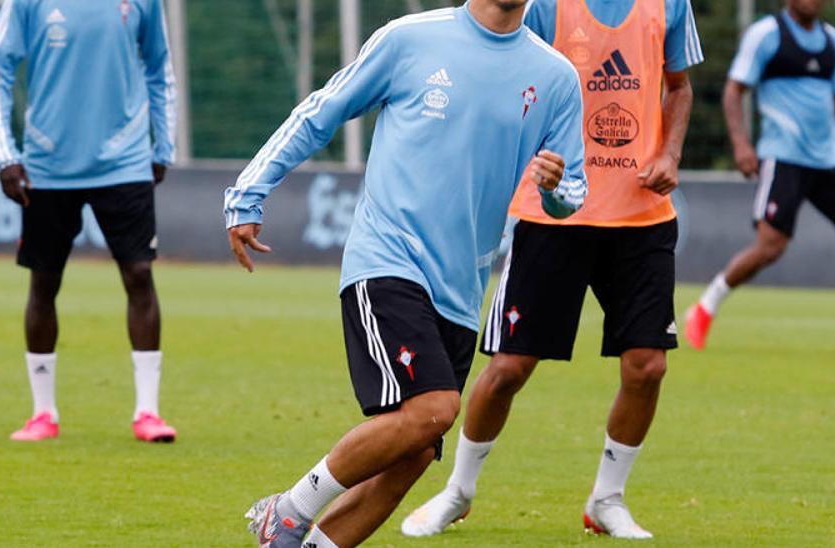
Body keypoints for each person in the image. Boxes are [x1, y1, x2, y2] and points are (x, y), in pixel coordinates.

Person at [228, 2, 588, 545]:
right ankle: (290, 508)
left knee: (416, 451)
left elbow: (572, 192)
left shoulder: (556, 77)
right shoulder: (409, 39)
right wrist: (249, 192)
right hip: (387, 261)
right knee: (437, 407)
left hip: (462, 291)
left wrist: (554, 186)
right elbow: (321, 112)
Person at [403, 0, 704, 539]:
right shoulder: (543, 5)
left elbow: (678, 87)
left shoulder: (670, 4)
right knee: (509, 369)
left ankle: (607, 499)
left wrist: (671, 153)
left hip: (641, 216)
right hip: (552, 213)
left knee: (648, 366)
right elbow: (506, 72)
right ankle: (459, 489)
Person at [0, 0, 179, 442]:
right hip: (48, 163)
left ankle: (148, 412)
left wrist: (164, 146)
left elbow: (159, 67)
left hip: (125, 159)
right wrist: (4, 155)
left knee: (140, 274)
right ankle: (42, 413)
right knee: (44, 281)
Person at [683, 0, 835, 358]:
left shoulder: (833, 42)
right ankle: (704, 307)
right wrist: (742, 146)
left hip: (829, 161)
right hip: (784, 157)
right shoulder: (766, 35)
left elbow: (834, 98)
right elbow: (734, 90)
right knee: (770, 248)